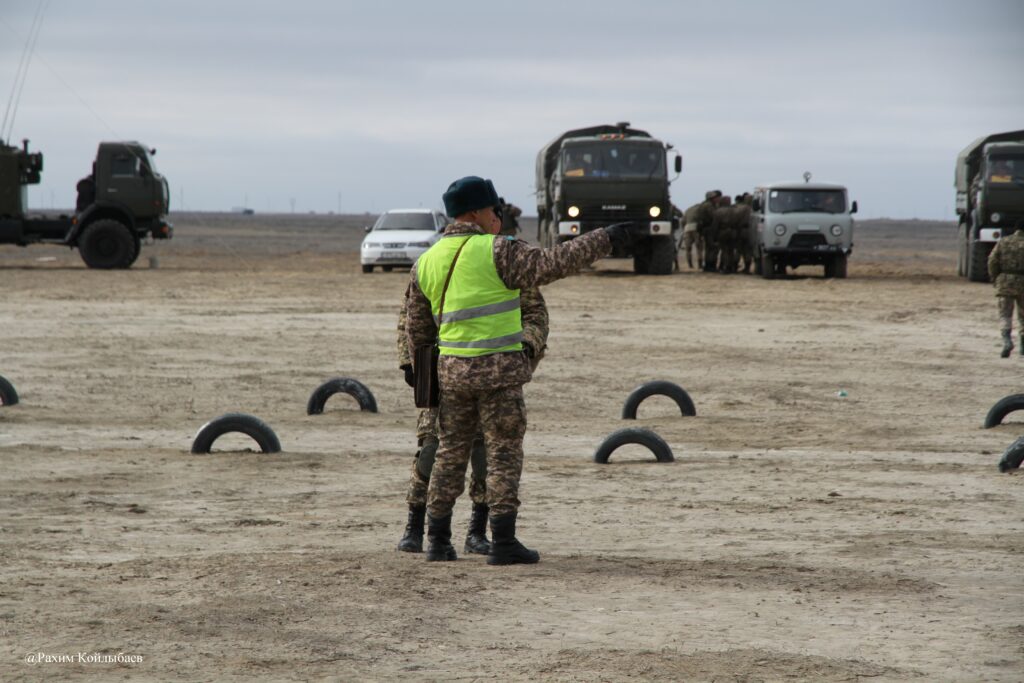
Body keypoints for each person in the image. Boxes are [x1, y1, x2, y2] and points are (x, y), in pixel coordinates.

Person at [404, 175, 622, 565]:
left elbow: (417, 332)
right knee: (503, 454)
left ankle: (437, 540)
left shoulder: (426, 261)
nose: (496, 216)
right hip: (499, 373)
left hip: (451, 374)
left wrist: (423, 384)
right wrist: (603, 238)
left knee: (449, 455)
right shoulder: (498, 251)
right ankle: (502, 542)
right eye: (491, 209)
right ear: (475, 212)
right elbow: (552, 263)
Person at [395, 221, 549, 555]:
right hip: (440, 373)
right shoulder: (435, 261)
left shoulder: (506, 264)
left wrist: (527, 345)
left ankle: (477, 531)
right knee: (432, 450)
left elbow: (535, 314)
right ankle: (414, 524)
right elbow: (409, 319)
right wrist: (410, 362)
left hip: (494, 372)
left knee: (483, 455)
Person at [987, 220, 1024, 357]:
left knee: (1005, 315)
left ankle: (1007, 341)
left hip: (1005, 283)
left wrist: (995, 277)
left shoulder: (1003, 242)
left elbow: (992, 260)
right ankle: (1023, 347)